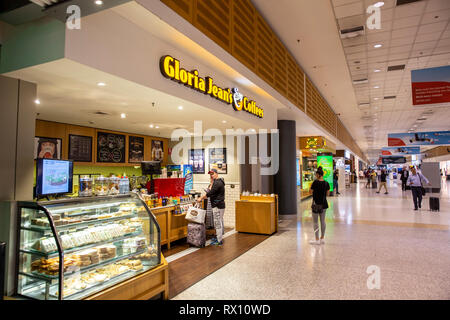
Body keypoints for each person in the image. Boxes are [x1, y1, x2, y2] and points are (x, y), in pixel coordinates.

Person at [197, 169, 225, 245]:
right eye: (210, 174)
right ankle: (219, 238)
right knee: (219, 222)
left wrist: (201, 198)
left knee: (217, 223)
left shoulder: (217, 183)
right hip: (220, 205)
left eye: (212, 174)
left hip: (217, 206)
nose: (211, 175)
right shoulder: (219, 181)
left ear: (216, 174)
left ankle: (219, 241)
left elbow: (210, 193)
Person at [309, 167, 330, 245]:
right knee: (322, 221)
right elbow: (328, 194)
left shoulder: (315, 182)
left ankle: (317, 239)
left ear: (318, 175)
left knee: (315, 222)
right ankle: (322, 238)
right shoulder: (326, 183)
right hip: (324, 204)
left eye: (316, 174)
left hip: (315, 204)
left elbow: (310, 191)